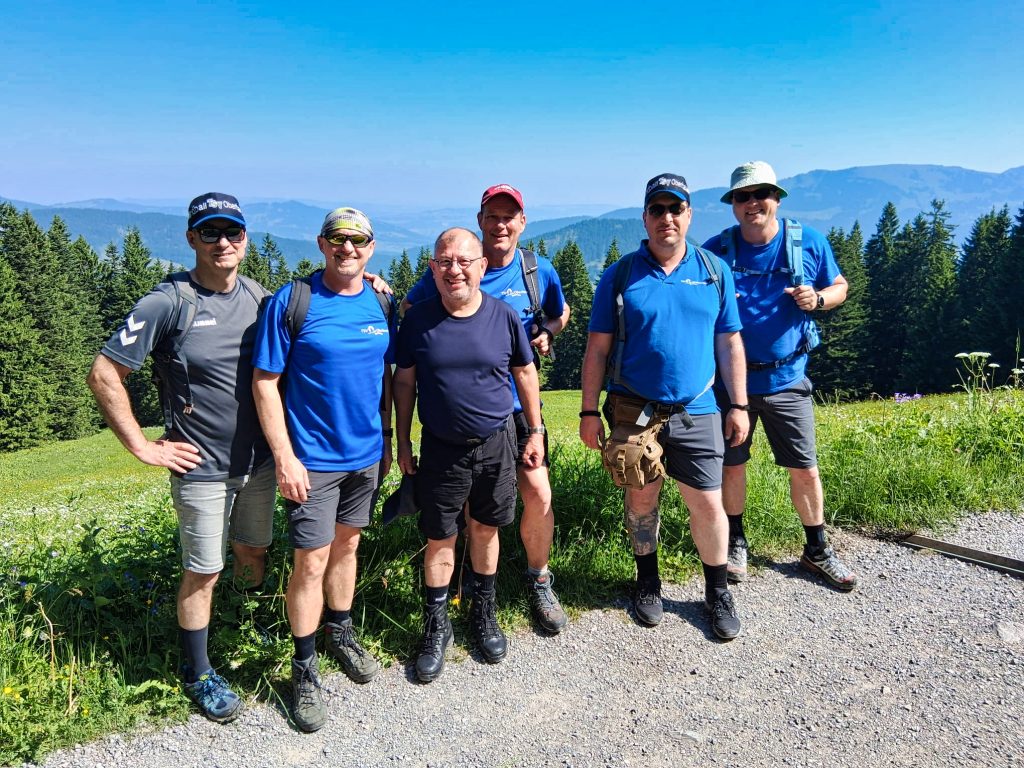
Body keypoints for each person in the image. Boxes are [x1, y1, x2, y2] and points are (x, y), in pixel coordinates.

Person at [87, 192, 275, 723]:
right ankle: (198, 672)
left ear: (245, 238)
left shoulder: (259, 296)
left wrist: (375, 286)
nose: (223, 242)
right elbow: (104, 373)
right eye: (210, 232)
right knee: (203, 570)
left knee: (253, 552)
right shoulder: (167, 302)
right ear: (191, 238)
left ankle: (243, 624)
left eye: (232, 232)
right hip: (201, 468)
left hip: (258, 463)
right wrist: (143, 447)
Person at [580, 173, 750, 640]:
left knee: (707, 504)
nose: (667, 218)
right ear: (645, 217)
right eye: (658, 209)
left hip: (699, 406)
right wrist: (588, 411)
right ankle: (647, 581)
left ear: (689, 215)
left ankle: (716, 590)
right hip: (634, 407)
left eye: (676, 209)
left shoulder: (714, 271)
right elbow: (596, 349)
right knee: (640, 497)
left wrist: (738, 404)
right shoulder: (621, 275)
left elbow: (730, 342)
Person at [401, 184, 570, 634]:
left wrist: (548, 331)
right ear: (480, 221)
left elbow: (560, 311)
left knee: (537, 493)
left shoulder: (536, 270)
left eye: (508, 217)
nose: (501, 224)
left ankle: (538, 580)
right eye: (492, 216)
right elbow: (413, 308)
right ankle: (459, 591)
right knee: (458, 511)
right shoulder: (456, 266)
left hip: (516, 410)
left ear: (522, 222)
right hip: (459, 412)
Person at [252, 207, 394, 732]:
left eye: (358, 241)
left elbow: (392, 373)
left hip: (367, 456)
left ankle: (341, 631)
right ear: (321, 243)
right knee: (310, 562)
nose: (348, 249)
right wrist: (286, 456)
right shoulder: (294, 302)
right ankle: (304, 665)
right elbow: (266, 382)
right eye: (339, 239)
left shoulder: (383, 301)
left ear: (372, 247)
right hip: (311, 461)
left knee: (349, 547)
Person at [394, 228, 544, 682]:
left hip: (497, 442)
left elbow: (525, 374)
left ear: (482, 266)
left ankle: (484, 613)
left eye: (464, 261)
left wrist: (534, 431)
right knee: (441, 537)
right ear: (432, 268)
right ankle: (436, 628)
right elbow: (404, 384)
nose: (453, 270)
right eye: (444, 261)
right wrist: (402, 442)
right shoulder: (417, 320)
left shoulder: (503, 316)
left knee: (485, 530)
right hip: (441, 448)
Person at [702, 161, 857, 590]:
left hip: (787, 378)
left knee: (804, 468)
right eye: (742, 196)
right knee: (732, 468)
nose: (753, 203)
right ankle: (736, 541)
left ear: (777, 198)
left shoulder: (808, 242)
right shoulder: (717, 251)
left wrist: (820, 298)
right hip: (730, 386)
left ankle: (817, 548)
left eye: (761, 194)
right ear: (732, 204)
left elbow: (840, 286)